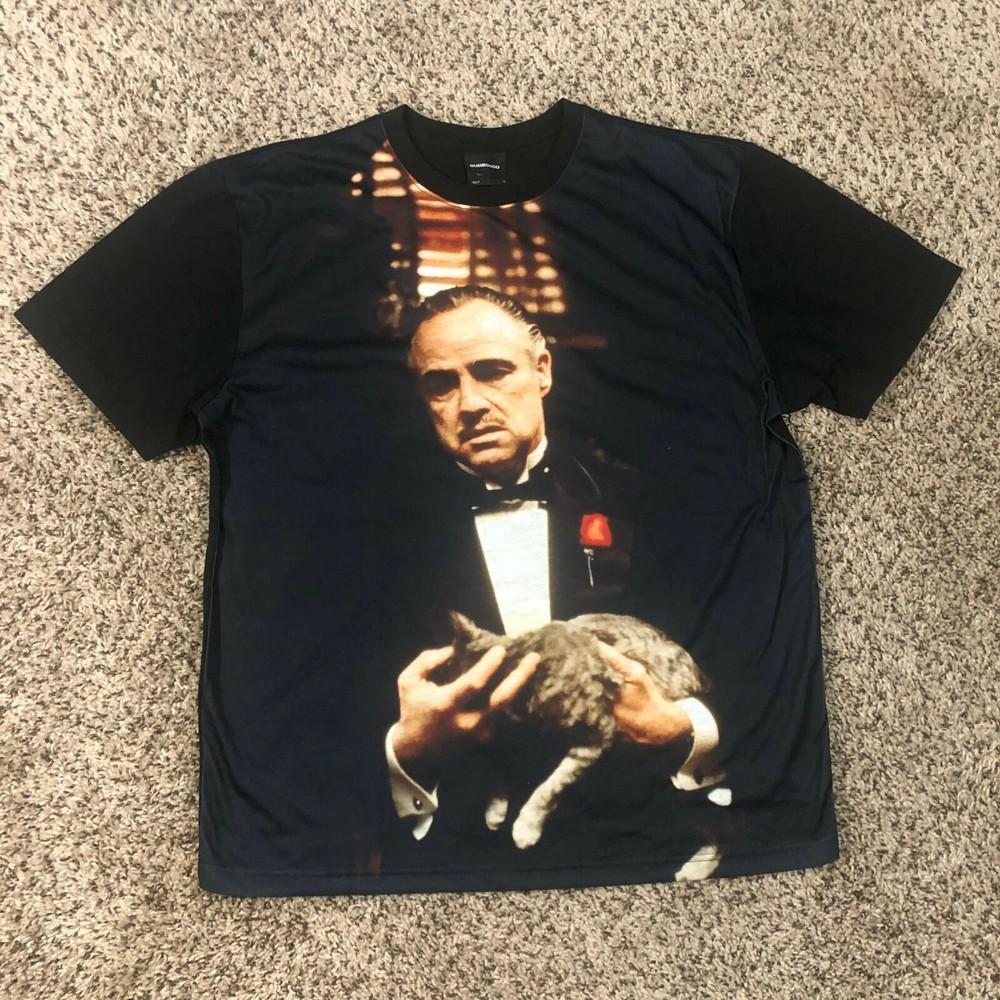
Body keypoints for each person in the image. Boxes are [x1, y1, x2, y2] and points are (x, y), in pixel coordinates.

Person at [377, 285, 731, 879]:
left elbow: (750, 657)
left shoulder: (654, 500)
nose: (470, 403)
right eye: (442, 384)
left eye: (493, 371)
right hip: (459, 872)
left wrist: (682, 727)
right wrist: (409, 749)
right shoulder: (374, 537)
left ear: (542, 370)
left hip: (651, 852)